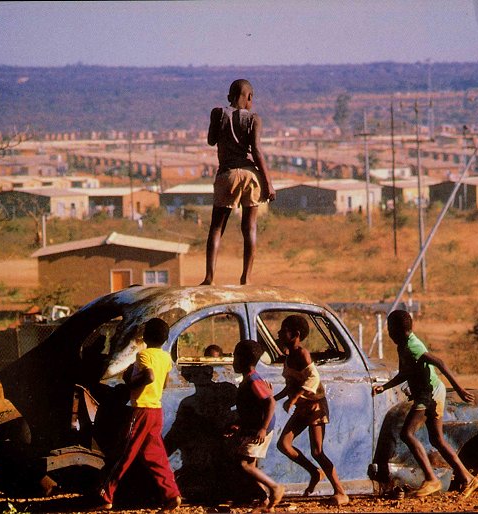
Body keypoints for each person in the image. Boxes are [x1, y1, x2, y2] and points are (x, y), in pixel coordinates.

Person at [372, 310, 478, 498]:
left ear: (397, 329)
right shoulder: (403, 346)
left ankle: (432, 479)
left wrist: (460, 389)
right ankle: (467, 478)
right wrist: (385, 387)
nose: (388, 334)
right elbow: (405, 373)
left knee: (407, 433)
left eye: (390, 329)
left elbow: (439, 362)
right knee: (437, 439)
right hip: (429, 392)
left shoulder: (412, 346)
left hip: (429, 394)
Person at [97, 318, 181, 511]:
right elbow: (163, 383)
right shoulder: (166, 358)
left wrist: (130, 385)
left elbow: (149, 376)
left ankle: (106, 495)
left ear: (144, 337)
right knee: (156, 456)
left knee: (124, 452)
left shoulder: (143, 355)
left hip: (141, 409)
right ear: (165, 339)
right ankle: (172, 494)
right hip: (155, 410)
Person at [201, 79, 276, 286]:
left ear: (228, 98)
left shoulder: (218, 113)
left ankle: (209, 277)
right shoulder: (254, 119)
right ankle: (246, 277)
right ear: (250, 98)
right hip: (251, 176)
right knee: (249, 227)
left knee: (217, 227)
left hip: (228, 175)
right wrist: (268, 183)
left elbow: (211, 140)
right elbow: (257, 151)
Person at [274, 315, 349, 506]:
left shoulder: (302, 354)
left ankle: (340, 492)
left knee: (317, 451)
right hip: (301, 407)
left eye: (284, 330)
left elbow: (313, 379)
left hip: (315, 406)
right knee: (284, 444)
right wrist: (275, 398)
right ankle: (314, 472)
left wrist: (294, 398)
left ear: (295, 335)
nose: (279, 332)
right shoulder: (289, 356)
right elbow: (291, 384)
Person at [226, 339, 284, 511]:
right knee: (251, 465)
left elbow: (270, 403)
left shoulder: (253, 381)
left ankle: (274, 488)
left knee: (243, 464)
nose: (233, 361)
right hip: (253, 428)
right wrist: (237, 424)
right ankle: (264, 501)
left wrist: (263, 428)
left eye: (235, 357)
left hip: (260, 429)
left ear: (243, 359)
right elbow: (251, 407)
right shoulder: (249, 380)